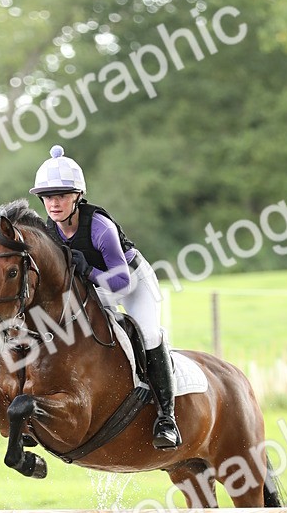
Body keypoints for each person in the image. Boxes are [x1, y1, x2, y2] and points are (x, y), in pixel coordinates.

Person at [30, 144, 181, 450]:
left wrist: (89, 272)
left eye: (61, 195)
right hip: (96, 286)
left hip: (133, 280)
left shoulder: (99, 226)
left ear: (77, 197)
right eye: (48, 197)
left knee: (149, 334)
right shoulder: (50, 230)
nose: (54, 203)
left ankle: (167, 418)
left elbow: (122, 282)